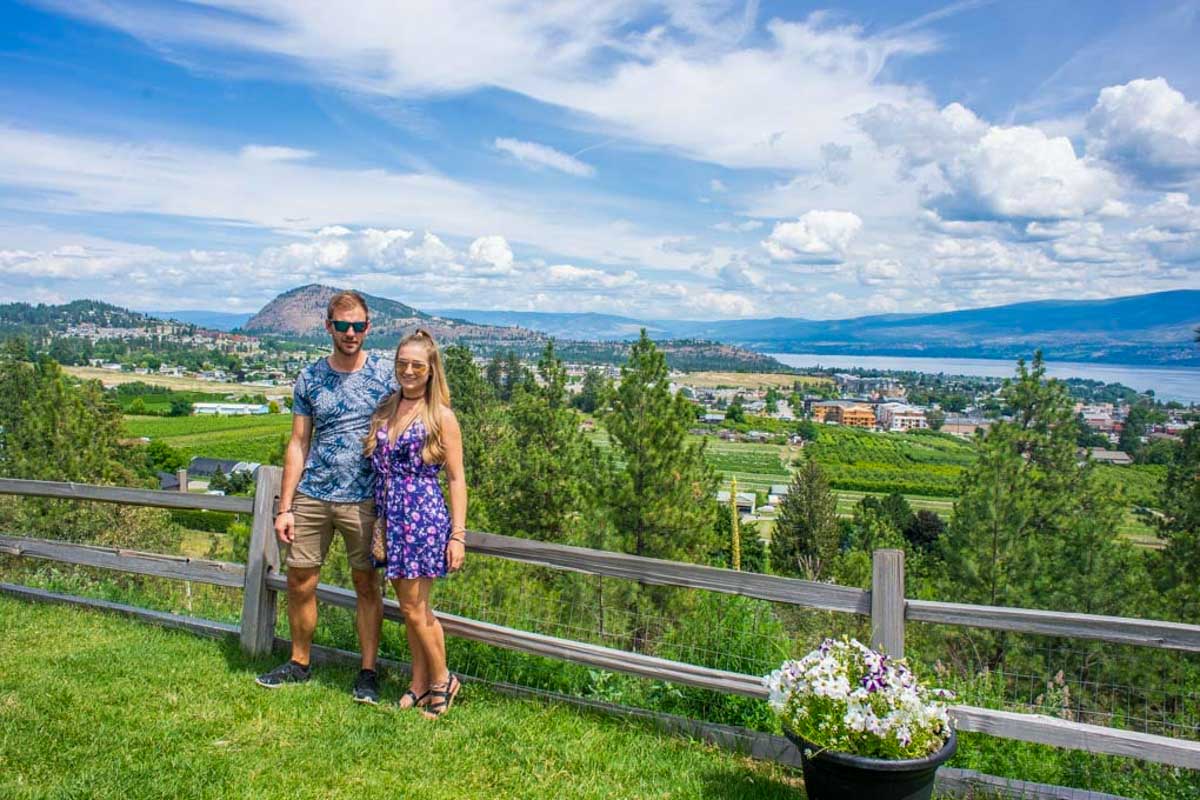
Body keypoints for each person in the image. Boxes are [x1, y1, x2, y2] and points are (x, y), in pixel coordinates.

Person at [255, 290, 397, 705]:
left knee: (367, 585)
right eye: (342, 326)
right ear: (328, 327)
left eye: (358, 326)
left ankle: (368, 673)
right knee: (300, 580)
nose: (350, 333)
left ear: (368, 328)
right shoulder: (310, 378)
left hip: (365, 497)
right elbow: (298, 443)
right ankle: (299, 663)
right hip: (314, 494)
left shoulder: (387, 377)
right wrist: (286, 506)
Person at [364, 329, 467, 718]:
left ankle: (443, 681)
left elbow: (456, 478)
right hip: (392, 517)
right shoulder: (388, 407)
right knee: (411, 608)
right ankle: (419, 684)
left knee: (414, 607)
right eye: (402, 363)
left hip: (422, 518)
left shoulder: (442, 415)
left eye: (416, 365)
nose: (408, 370)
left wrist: (458, 534)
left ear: (430, 370)